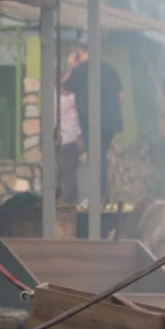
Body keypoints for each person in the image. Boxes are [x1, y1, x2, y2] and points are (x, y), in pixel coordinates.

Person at [62, 37, 123, 206]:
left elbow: (65, 89)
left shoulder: (81, 70)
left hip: (92, 122)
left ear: (80, 53)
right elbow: (120, 96)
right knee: (100, 157)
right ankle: (101, 196)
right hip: (111, 123)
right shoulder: (109, 69)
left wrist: (70, 66)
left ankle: (98, 199)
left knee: (96, 159)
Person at [59, 75, 82, 204]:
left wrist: (79, 136)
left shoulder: (75, 96)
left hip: (71, 138)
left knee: (69, 171)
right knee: (65, 172)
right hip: (60, 139)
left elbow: (79, 117)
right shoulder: (55, 95)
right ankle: (66, 200)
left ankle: (68, 201)